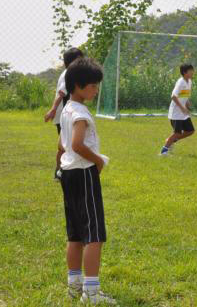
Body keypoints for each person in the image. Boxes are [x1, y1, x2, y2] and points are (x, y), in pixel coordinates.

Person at [58, 57, 115, 304]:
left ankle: (74, 285)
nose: (96, 90)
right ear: (78, 86)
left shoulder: (67, 109)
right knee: (94, 234)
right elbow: (77, 144)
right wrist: (98, 161)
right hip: (83, 173)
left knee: (75, 234)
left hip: (69, 173)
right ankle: (91, 293)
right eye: (92, 86)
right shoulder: (80, 113)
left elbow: (61, 145)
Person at [44, 47, 84, 181]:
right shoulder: (69, 73)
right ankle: (61, 171)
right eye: (80, 59)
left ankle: (60, 171)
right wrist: (53, 109)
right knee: (66, 146)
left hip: (65, 115)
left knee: (64, 145)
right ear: (72, 61)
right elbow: (61, 93)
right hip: (65, 115)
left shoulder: (69, 73)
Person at [160, 64, 195, 156]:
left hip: (183, 113)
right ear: (184, 72)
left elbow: (184, 95)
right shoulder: (180, 82)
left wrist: (187, 103)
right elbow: (173, 96)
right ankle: (163, 151)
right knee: (177, 133)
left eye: (192, 70)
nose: (192, 72)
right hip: (176, 113)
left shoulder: (189, 82)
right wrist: (182, 108)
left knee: (190, 131)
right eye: (190, 71)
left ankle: (170, 141)